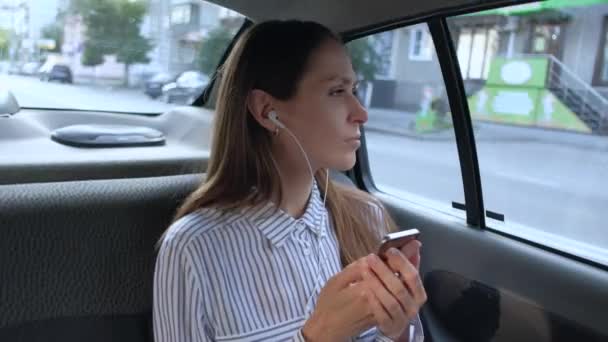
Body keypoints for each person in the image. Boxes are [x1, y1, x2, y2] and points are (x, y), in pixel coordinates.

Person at [153, 20, 426, 342]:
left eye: (353, 90)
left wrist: (396, 332)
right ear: (266, 109)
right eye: (337, 91)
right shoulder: (193, 247)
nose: (361, 112)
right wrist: (317, 336)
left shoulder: (366, 216)